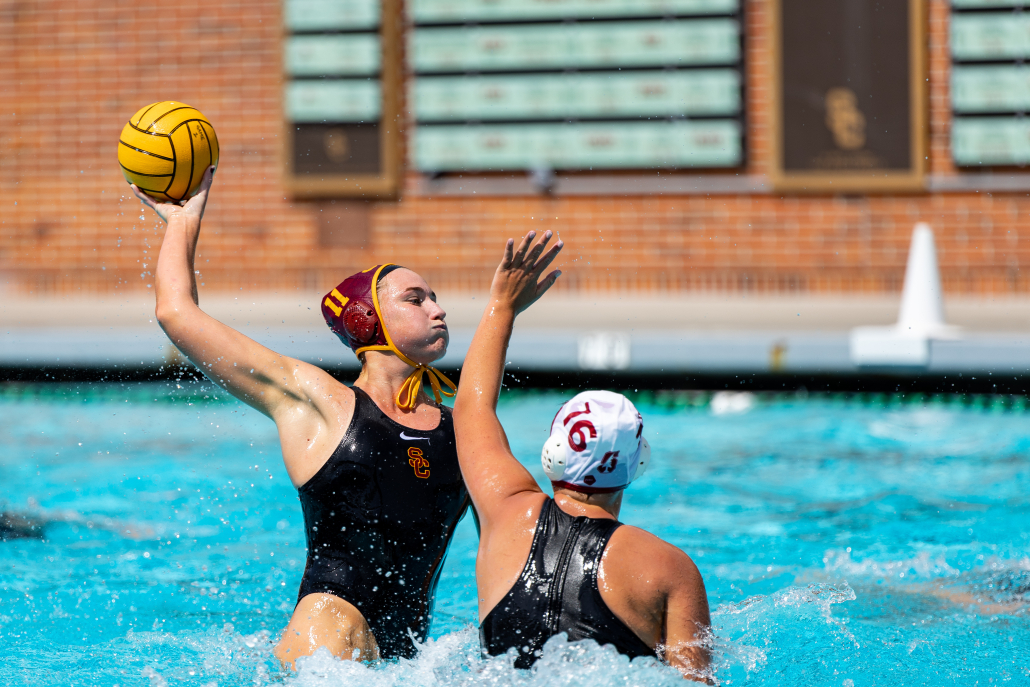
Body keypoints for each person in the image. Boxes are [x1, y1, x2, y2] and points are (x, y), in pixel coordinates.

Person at [133, 168, 470, 666]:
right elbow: (176, 314)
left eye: (435, 297)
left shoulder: (458, 427)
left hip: (409, 663)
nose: (437, 310)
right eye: (415, 299)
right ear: (366, 319)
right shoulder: (321, 404)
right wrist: (184, 222)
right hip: (326, 647)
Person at [453, 231, 713, 680]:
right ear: (638, 465)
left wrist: (502, 305)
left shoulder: (505, 514)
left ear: (552, 455)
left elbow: (471, 407)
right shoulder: (669, 567)